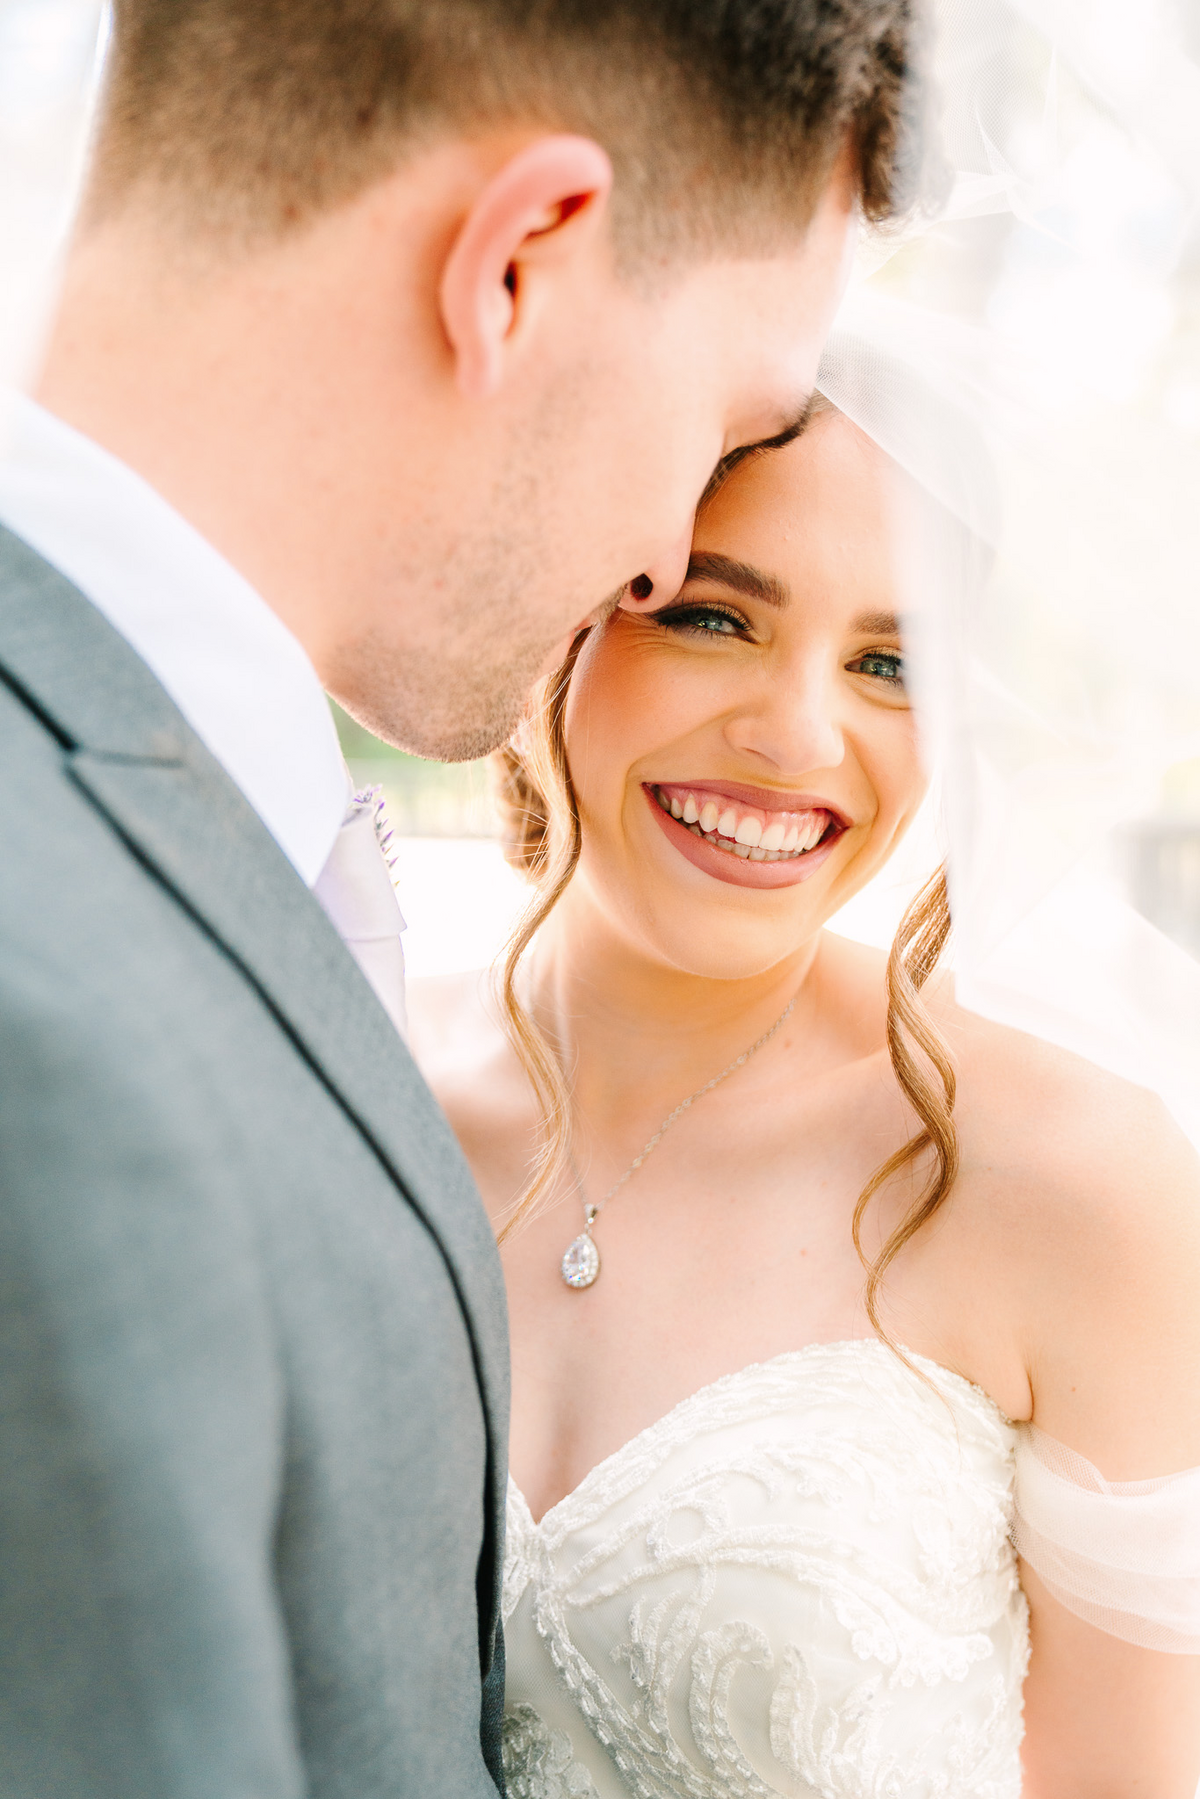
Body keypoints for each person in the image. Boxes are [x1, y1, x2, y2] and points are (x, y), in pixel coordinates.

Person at [0, 3, 928, 1795]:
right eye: (728, 410)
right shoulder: (53, 1022)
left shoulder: (174, 827)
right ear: (518, 263)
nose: (659, 548)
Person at [408, 395, 1200, 1796]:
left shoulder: (1063, 1177)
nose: (798, 735)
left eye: (892, 663)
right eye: (714, 616)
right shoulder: (364, 1099)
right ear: (555, 616)